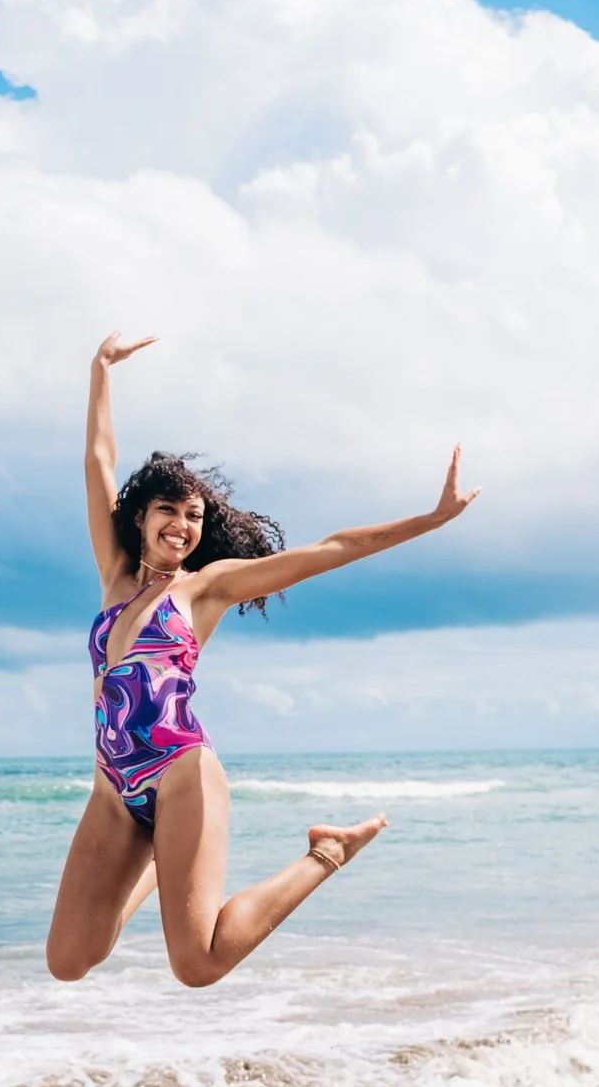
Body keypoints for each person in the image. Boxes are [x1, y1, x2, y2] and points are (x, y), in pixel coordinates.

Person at [46, 332, 480, 988]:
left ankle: (329, 851)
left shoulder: (204, 588)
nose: (183, 526)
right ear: (138, 516)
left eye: (193, 517)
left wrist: (429, 520)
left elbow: (328, 548)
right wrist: (100, 370)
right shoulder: (113, 578)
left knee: (198, 963)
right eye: (169, 510)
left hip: (180, 772)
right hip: (114, 785)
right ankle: (164, 857)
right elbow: (97, 461)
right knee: (70, 959)